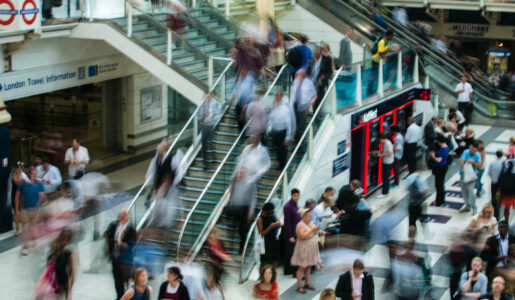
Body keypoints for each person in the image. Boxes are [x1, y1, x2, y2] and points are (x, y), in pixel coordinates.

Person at [227, 134, 271, 253]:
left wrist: (251, 211)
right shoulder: (236, 181)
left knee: (243, 229)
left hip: (245, 206)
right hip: (236, 206)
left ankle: (243, 249)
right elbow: (231, 193)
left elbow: (253, 197)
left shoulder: (250, 183)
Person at [105, 209, 137, 300]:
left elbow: (133, 244)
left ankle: (126, 296)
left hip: (124, 258)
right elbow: (108, 236)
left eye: (124, 215)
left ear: (128, 216)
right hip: (114, 256)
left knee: (124, 278)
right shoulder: (113, 226)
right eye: (120, 215)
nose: (121, 217)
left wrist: (123, 244)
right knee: (116, 277)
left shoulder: (131, 229)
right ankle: (119, 295)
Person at [15, 166, 45, 255]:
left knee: (35, 228)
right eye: (33, 174)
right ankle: (25, 247)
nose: (35, 176)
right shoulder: (23, 183)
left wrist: (41, 200)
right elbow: (17, 196)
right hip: (25, 210)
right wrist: (17, 209)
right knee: (25, 229)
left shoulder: (39, 184)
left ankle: (35, 243)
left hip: (36, 210)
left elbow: (42, 197)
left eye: (36, 174)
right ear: (30, 174)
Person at [291, 208, 321, 293]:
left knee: (309, 266)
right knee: (302, 267)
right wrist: (312, 230)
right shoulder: (300, 225)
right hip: (303, 247)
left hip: (311, 247)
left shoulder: (310, 223)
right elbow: (301, 236)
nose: (310, 218)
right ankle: (299, 286)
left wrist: (320, 231)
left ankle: (307, 283)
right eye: (308, 216)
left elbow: (315, 231)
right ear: (304, 216)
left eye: (311, 216)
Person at [268, 90, 293, 170]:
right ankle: (280, 164)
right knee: (277, 150)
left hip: (282, 132)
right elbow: (271, 119)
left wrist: (287, 137)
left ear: (281, 97)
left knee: (282, 150)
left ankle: (283, 166)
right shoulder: (274, 107)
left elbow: (288, 122)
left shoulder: (284, 108)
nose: (277, 98)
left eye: (278, 96)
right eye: (276, 96)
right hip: (275, 132)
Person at [291, 69, 317, 141]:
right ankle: (297, 137)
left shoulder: (308, 83)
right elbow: (292, 94)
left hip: (304, 106)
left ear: (304, 75)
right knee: (296, 123)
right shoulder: (295, 82)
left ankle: (300, 139)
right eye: (298, 74)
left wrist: (310, 104)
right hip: (295, 105)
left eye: (300, 74)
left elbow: (315, 95)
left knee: (301, 124)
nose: (299, 76)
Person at [49, 229, 75, 300]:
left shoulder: (67, 253)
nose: (63, 242)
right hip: (56, 281)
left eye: (65, 240)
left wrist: (71, 283)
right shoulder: (56, 250)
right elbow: (50, 264)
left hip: (64, 280)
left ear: (68, 241)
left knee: (67, 297)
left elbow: (71, 269)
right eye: (62, 239)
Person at [199, 91, 221, 171]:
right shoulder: (202, 105)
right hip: (204, 127)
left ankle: (213, 156)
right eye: (206, 96)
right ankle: (205, 164)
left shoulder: (213, 104)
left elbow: (218, 114)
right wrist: (202, 119)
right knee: (204, 145)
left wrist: (212, 118)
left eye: (208, 96)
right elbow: (199, 116)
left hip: (211, 126)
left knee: (211, 143)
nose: (207, 98)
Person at [257, 203, 281, 270]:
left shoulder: (273, 216)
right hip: (264, 242)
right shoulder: (260, 220)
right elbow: (262, 233)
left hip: (273, 240)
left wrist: (277, 223)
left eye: (272, 212)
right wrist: (270, 226)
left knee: (272, 261)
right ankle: (261, 276)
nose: (272, 213)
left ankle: (271, 275)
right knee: (263, 262)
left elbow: (280, 224)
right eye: (270, 212)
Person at [460, 142, 482, 214]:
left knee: (471, 191)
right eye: (472, 150)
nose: (473, 152)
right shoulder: (466, 152)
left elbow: (479, 165)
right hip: (464, 174)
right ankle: (468, 206)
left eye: (475, 151)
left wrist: (473, 162)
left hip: (472, 176)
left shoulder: (477, 155)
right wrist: (464, 171)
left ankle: (474, 207)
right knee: (464, 191)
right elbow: (462, 162)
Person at [283, 188, 301, 275]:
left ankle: (293, 269)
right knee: (290, 252)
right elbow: (287, 222)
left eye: (298, 196)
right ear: (291, 195)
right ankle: (289, 270)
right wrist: (290, 235)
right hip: (291, 231)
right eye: (295, 196)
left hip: (296, 230)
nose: (296, 197)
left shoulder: (295, 205)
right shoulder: (288, 206)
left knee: (294, 251)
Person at [9, 162, 28, 236]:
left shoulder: (24, 176)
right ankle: (17, 229)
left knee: (23, 212)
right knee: (16, 212)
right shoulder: (12, 174)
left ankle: (24, 228)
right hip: (14, 194)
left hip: (22, 194)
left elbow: (27, 186)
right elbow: (12, 182)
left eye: (20, 168)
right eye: (18, 168)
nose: (19, 169)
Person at [431, 136, 450, 206]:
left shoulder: (443, 149)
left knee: (438, 185)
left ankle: (439, 200)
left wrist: (433, 156)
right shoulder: (446, 147)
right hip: (443, 167)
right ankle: (441, 199)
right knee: (441, 184)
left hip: (440, 168)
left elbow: (439, 160)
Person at [377, 132, 394, 198]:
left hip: (388, 163)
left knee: (385, 178)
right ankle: (385, 192)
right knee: (385, 178)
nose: (379, 141)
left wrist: (381, 155)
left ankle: (385, 193)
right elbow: (385, 151)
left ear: (381, 138)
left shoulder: (387, 144)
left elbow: (389, 153)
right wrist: (378, 152)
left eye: (379, 140)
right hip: (388, 162)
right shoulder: (386, 142)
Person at [489, 150, 505, 219]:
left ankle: (493, 212)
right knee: (499, 198)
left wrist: (493, 177)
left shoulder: (492, 163)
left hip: (493, 182)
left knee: (493, 197)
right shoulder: (504, 163)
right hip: (501, 183)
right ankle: (497, 214)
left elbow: (489, 172)